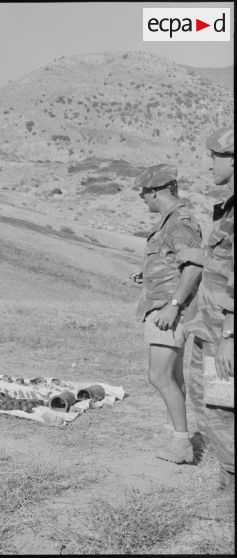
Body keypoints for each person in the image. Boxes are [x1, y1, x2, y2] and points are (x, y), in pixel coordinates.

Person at [130, 163, 204, 463]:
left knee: (158, 375)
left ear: (156, 191)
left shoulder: (179, 222)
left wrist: (173, 306)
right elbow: (175, 262)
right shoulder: (170, 221)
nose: (142, 198)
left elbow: (194, 267)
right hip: (164, 306)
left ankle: (182, 445)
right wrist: (146, 274)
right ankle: (177, 433)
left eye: (143, 193)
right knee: (172, 376)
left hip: (169, 312)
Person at [184, 127, 235, 521]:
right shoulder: (226, 207)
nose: (210, 163)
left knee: (223, 408)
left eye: (216, 155)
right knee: (209, 403)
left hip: (226, 332)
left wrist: (231, 336)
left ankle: (233, 493)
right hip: (211, 325)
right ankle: (226, 478)